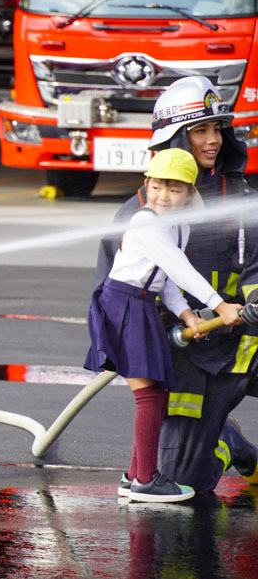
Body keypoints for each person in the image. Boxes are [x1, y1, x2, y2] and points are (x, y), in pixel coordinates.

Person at [94, 75, 258, 495]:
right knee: (185, 477)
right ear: (173, 139)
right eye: (200, 130)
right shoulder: (141, 213)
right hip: (189, 359)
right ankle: (229, 444)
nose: (213, 140)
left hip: (247, 342)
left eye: (217, 129)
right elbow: (117, 291)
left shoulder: (241, 197)